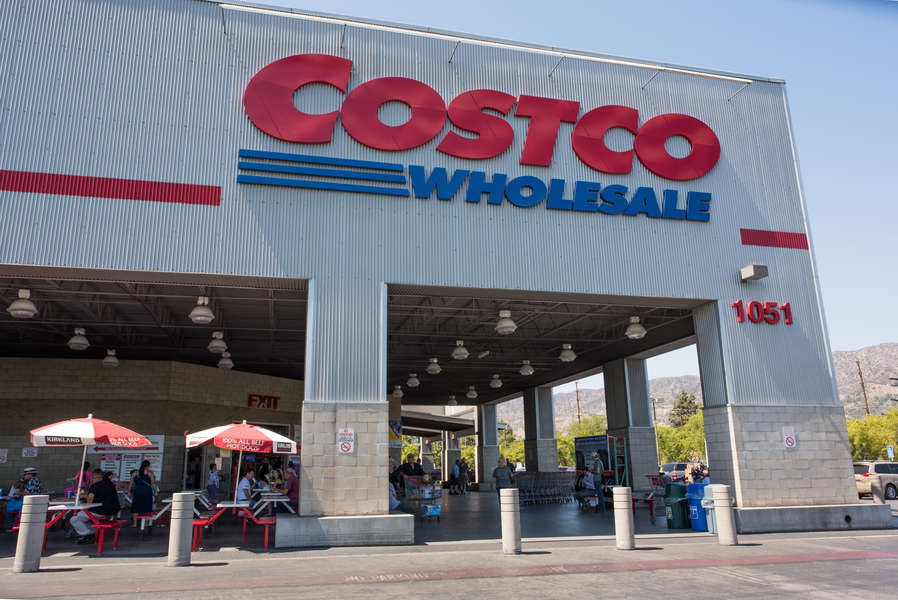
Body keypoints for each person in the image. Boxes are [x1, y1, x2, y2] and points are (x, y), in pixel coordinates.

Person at [70, 469, 120, 544]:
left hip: (99, 511)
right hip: (112, 510)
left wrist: (85, 501)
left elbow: (90, 499)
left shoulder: (95, 485)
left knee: (75, 518)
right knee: (84, 518)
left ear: (93, 477)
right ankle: (94, 532)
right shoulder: (109, 484)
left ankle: (86, 535)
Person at [130, 460, 156, 527]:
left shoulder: (135, 473)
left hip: (137, 491)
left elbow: (131, 484)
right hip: (147, 492)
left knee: (136, 507)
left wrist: (129, 492)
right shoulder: (150, 473)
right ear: (148, 466)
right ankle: (146, 523)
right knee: (146, 507)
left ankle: (135, 524)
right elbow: (153, 483)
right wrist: (155, 491)